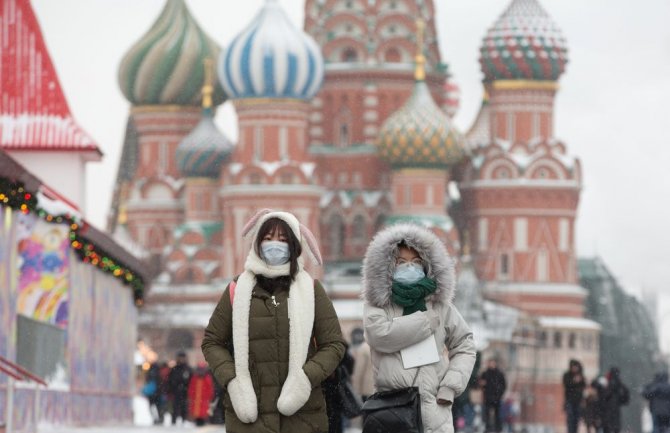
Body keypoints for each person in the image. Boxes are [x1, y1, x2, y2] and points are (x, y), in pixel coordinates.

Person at [201, 209, 346, 433]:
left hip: (302, 416)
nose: (274, 245)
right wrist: (234, 381)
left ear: (295, 245)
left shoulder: (312, 290)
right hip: (249, 417)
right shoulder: (237, 290)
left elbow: (334, 345)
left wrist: (305, 379)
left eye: (283, 239)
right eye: (267, 239)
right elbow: (212, 341)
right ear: (257, 244)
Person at [361, 223, 476, 433]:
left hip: (436, 413)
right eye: (401, 262)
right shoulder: (379, 305)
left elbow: (465, 344)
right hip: (394, 411)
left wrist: (450, 386)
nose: (409, 267)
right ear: (388, 266)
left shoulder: (440, 307)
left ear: (426, 265)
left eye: (415, 262)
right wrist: (425, 322)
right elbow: (380, 336)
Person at [479, 358, 506, 433]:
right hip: (487, 397)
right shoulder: (485, 373)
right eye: (490, 363)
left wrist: (500, 393)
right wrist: (483, 384)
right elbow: (480, 384)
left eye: (492, 363)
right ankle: (488, 428)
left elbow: (503, 385)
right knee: (487, 414)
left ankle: (498, 428)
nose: (491, 364)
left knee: (498, 414)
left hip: (497, 397)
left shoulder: (499, 373)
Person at [600, 367, 629, 433]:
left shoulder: (608, 384)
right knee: (615, 427)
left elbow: (604, 396)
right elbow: (625, 397)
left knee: (608, 427)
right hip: (614, 409)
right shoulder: (619, 384)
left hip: (608, 410)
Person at [350, 327, 374, 402]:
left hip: (367, 388)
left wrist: (356, 389)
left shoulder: (363, 348)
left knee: (368, 411)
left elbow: (359, 370)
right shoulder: (381, 346)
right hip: (381, 387)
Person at [168, 351, 192, 425]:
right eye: (180, 358)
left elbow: (190, 381)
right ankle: (173, 421)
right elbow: (170, 380)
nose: (181, 359)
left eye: (183, 358)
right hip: (176, 392)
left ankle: (184, 420)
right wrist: (171, 389)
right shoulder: (174, 369)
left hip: (185, 392)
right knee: (175, 407)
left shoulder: (188, 369)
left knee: (184, 407)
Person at [563, 359, 586, 433]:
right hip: (569, 400)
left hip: (578, 401)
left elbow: (583, 386)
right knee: (570, 419)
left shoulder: (580, 376)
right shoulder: (567, 375)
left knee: (576, 419)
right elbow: (567, 384)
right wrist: (574, 381)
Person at [188, 362, 215, 426]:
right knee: (197, 411)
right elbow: (191, 388)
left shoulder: (207, 378)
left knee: (203, 411)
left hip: (203, 399)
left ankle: (202, 421)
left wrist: (209, 396)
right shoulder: (195, 378)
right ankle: (198, 421)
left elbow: (210, 389)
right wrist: (191, 395)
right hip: (196, 398)